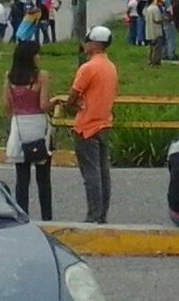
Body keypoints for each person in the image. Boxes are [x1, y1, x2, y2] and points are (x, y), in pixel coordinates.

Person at [55, 26, 118, 224]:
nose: (85, 44)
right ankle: (102, 215)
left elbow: (74, 95)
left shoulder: (88, 68)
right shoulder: (110, 67)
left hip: (87, 126)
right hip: (104, 123)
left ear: (94, 44)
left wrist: (69, 106)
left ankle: (93, 216)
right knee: (103, 173)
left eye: (88, 41)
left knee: (91, 174)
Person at [3, 40, 54, 220]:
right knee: (43, 179)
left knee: (22, 179)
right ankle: (47, 217)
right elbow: (43, 104)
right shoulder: (42, 76)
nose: (39, 57)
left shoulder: (10, 77)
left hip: (20, 128)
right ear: (31, 57)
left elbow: (6, 106)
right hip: (39, 127)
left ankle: (23, 216)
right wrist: (54, 102)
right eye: (37, 53)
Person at [144, 0, 166, 67]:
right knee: (157, 48)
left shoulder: (148, 8)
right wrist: (163, 19)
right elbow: (157, 20)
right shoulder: (155, 9)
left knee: (151, 48)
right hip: (156, 31)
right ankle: (155, 62)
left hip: (149, 31)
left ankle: (150, 61)